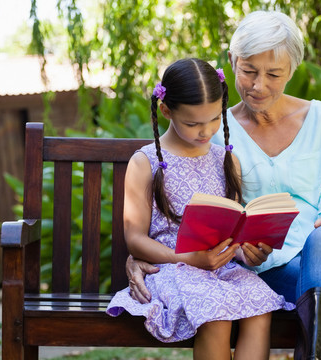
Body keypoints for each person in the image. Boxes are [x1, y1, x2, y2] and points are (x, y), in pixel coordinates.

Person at [126, 11, 321, 360]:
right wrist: (143, 255)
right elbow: (190, 208)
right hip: (272, 264)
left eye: (273, 74)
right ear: (232, 62)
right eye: (248, 71)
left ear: (292, 70)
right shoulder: (216, 129)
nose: (258, 85)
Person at [106, 58, 294, 360]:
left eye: (214, 119)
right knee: (216, 314)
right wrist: (189, 258)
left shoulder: (226, 159)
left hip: (221, 268)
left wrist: (247, 249)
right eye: (193, 123)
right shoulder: (145, 163)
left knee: (261, 307)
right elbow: (135, 239)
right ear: (166, 111)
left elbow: (232, 227)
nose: (205, 131)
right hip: (172, 268)